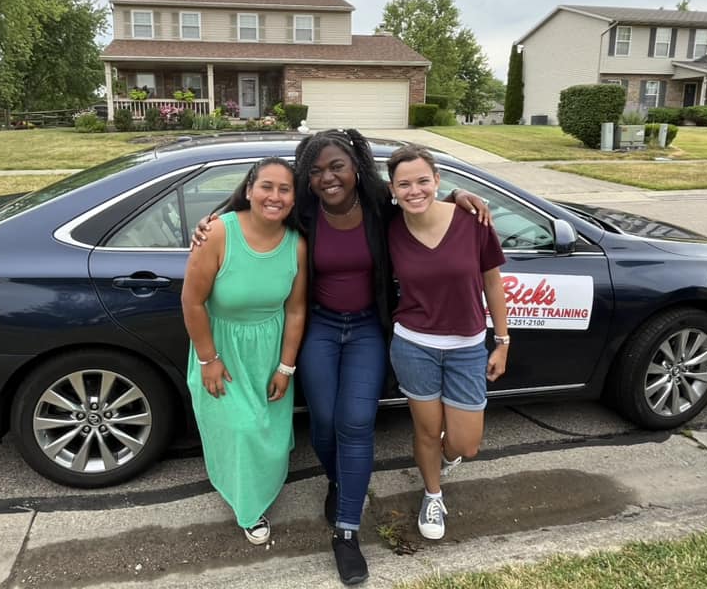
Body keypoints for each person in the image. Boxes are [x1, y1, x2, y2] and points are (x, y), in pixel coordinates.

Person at [193, 129, 490, 584]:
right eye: (315, 172)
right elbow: (259, 206)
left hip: (367, 329)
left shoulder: (379, 206)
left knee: (356, 422)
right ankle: (338, 479)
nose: (327, 177)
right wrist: (213, 218)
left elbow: (418, 198)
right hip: (321, 328)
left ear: (356, 168)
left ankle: (347, 532)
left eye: (337, 167)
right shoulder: (305, 212)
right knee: (326, 421)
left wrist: (457, 195)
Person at [385, 144, 509, 542]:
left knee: (464, 444)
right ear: (392, 190)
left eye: (423, 181)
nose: (415, 191)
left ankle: (445, 455)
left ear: (438, 180)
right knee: (426, 431)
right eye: (404, 184)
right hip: (413, 345)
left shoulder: (473, 220)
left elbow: (493, 283)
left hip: (466, 348)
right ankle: (432, 494)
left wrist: (502, 341)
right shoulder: (389, 227)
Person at [181, 157, 308, 545]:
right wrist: (208, 359)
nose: (274, 196)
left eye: (284, 189)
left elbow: (296, 309)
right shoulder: (219, 233)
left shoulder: (297, 244)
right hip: (223, 350)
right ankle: (249, 508)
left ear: (294, 198)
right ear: (250, 189)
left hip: (269, 353)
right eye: (266, 186)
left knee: (268, 432)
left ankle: (262, 483)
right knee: (243, 430)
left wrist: (286, 367)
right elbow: (192, 301)